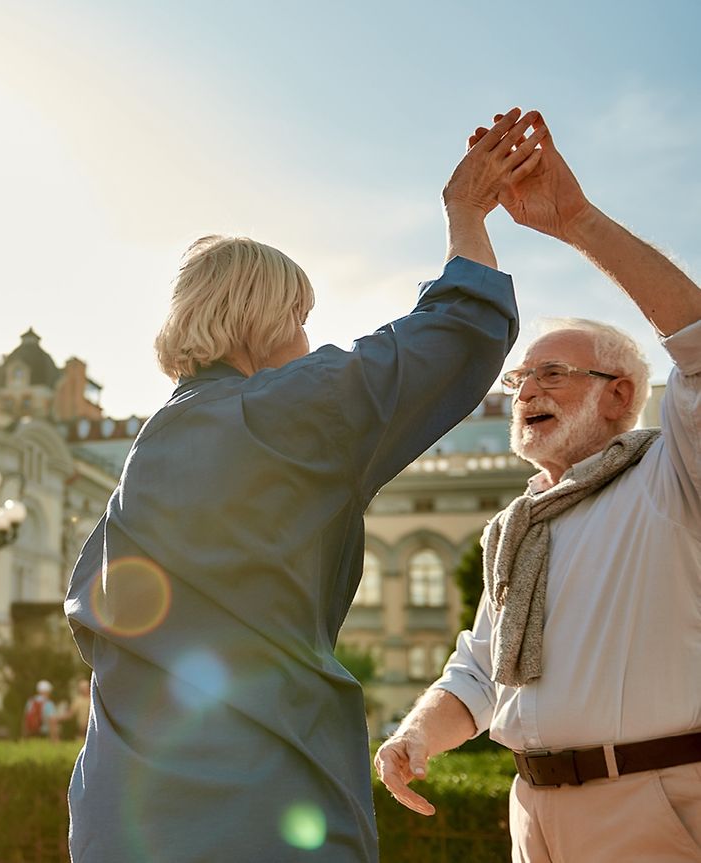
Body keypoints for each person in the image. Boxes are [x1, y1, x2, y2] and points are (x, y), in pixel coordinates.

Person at [63, 108, 544, 863]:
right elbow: (460, 332)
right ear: (264, 319)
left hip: (119, 810)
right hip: (255, 801)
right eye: (301, 318)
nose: (310, 343)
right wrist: (466, 215)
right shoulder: (281, 414)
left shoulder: (154, 446)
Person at [375, 116, 701, 862]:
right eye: (520, 378)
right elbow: (483, 669)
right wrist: (416, 734)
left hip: (652, 801)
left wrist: (577, 222)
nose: (525, 389)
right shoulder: (515, 524)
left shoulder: (674, 469)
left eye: (552, 372)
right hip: (534, 813)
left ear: (619, 396)